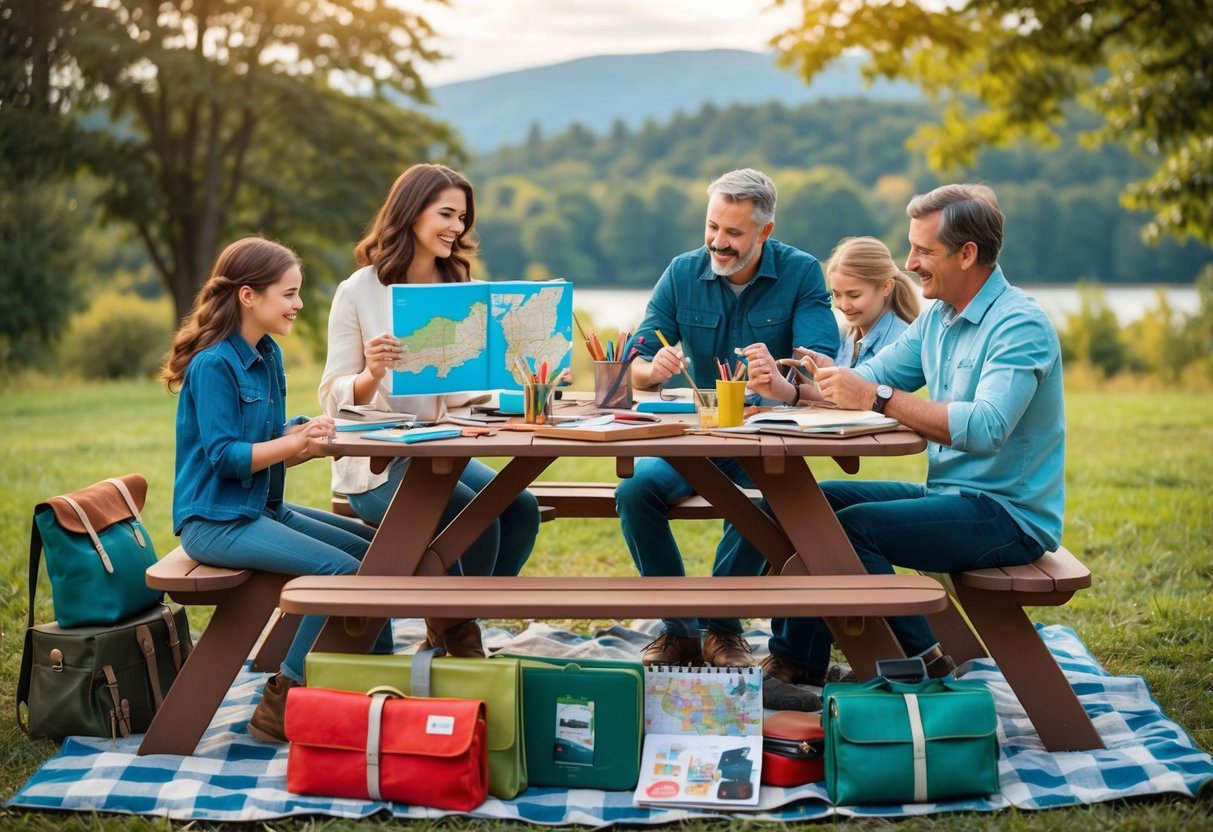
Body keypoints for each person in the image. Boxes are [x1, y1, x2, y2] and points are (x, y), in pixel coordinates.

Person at [759, 183, 1066, 688]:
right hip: (951, 495)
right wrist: (796, 392)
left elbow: (986, 427)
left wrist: (877, 397)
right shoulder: (939, 321)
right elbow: (870, 379)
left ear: (967, 254)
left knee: (853, 531)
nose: (910, 262)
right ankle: (799, 666)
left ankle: (924, 658)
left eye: (924, 250)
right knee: (808, 506)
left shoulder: (1019, 324)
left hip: (1008, 514)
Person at [163, 237, 390, 743]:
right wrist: (292, 446)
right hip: (217, 521)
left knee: (378, 559)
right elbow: (225, 457)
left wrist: (297, 434)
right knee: (341, 570)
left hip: (261, 508)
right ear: (249, 296)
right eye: (288, 293)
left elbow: (262, 438)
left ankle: (379, 681)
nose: (298, 303)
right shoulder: (214, 364)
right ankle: (283, 698)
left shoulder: (267, 355)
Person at [619, 168, 839, 668]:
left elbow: (822, 366)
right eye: (712, 226)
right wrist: (652, 370)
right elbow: (631, 361)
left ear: (765, 231)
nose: (718, 242)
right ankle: (680, 629)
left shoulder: (802, 272)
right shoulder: (682, 272)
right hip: (696, 439)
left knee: (770, 501)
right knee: (635, 491)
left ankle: (722, 625)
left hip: (768, 442)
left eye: (733, 233)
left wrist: (783, 383)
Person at [319, 163, 540, 658]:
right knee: (468, 513)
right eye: (446, 214)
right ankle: (459, 634)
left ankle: (458, 619)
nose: (457, 228)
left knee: (518, 509)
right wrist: (372, 372)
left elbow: (464, 390)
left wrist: (522, 374)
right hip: (375, 465)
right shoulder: (358, 290)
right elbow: (332, 394)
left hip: (440, 447)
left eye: (462, 218)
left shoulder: (457, 283)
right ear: (411, 212)